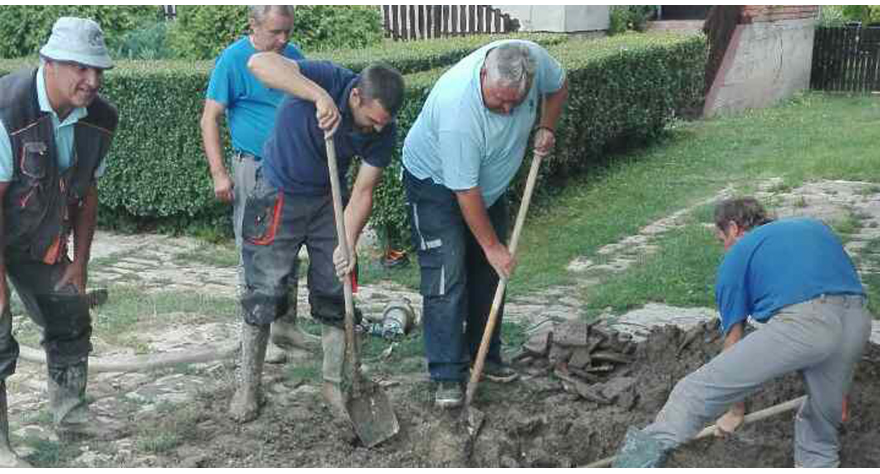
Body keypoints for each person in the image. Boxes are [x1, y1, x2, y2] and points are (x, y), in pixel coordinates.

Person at [613, 197, 872, 468]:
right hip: (856, 323)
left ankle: (630, 466)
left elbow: (733, 343)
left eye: (721, 239)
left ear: (734, 228)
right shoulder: (814, 227)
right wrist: (834, 387)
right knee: (820, 433)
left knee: (692, 393)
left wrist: (734, 411)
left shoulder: (738, 254)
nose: (724, 247)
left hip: (806, 323)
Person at [227, 52, 405, 422]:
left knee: (334, 288)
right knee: (263, 290)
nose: (375, 129)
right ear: (356, 96)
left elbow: (363, 192)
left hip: (328, 201)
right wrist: (317, 95)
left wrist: (347, 242)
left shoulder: (384, 130)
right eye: (372, 120)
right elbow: (259, 64)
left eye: (382, 124)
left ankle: (333, 386)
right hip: (277, 191)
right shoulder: (329, 77)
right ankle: (248, 386)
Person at [401, 40, 568, 408]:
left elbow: (558, 85)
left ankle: (485, 356)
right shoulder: (458, 111)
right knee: (447, 275)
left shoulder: (531, 59)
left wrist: (546, 125)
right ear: (482, 75)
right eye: (499, 100)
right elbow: (465, 192)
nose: (508, 109)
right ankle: (447, 373)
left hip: (487, 188)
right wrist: (492, 247)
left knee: (489, 275)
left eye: (516, 101)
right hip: (437, 185)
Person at [0, 17, 120, 467]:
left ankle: (70, 416)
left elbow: (87, 192)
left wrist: (80, 263)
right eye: (78, 67)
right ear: (48, 62)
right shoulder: (6, 110)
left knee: (69, 310)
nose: (91, 80)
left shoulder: (101, 119)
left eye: (98, 70)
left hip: (37, 238)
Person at [200, 5, 317, 363]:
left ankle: (285, 326)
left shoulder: (293, 57)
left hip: (292, 171)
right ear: (253, 25)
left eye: (288, 31)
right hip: (253, 170)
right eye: (275, 32)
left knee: (289, 248)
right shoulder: (233, 60)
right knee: (255, 253)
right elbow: (209, 119)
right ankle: (256, 337)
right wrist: (220, 173)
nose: (283, 40)